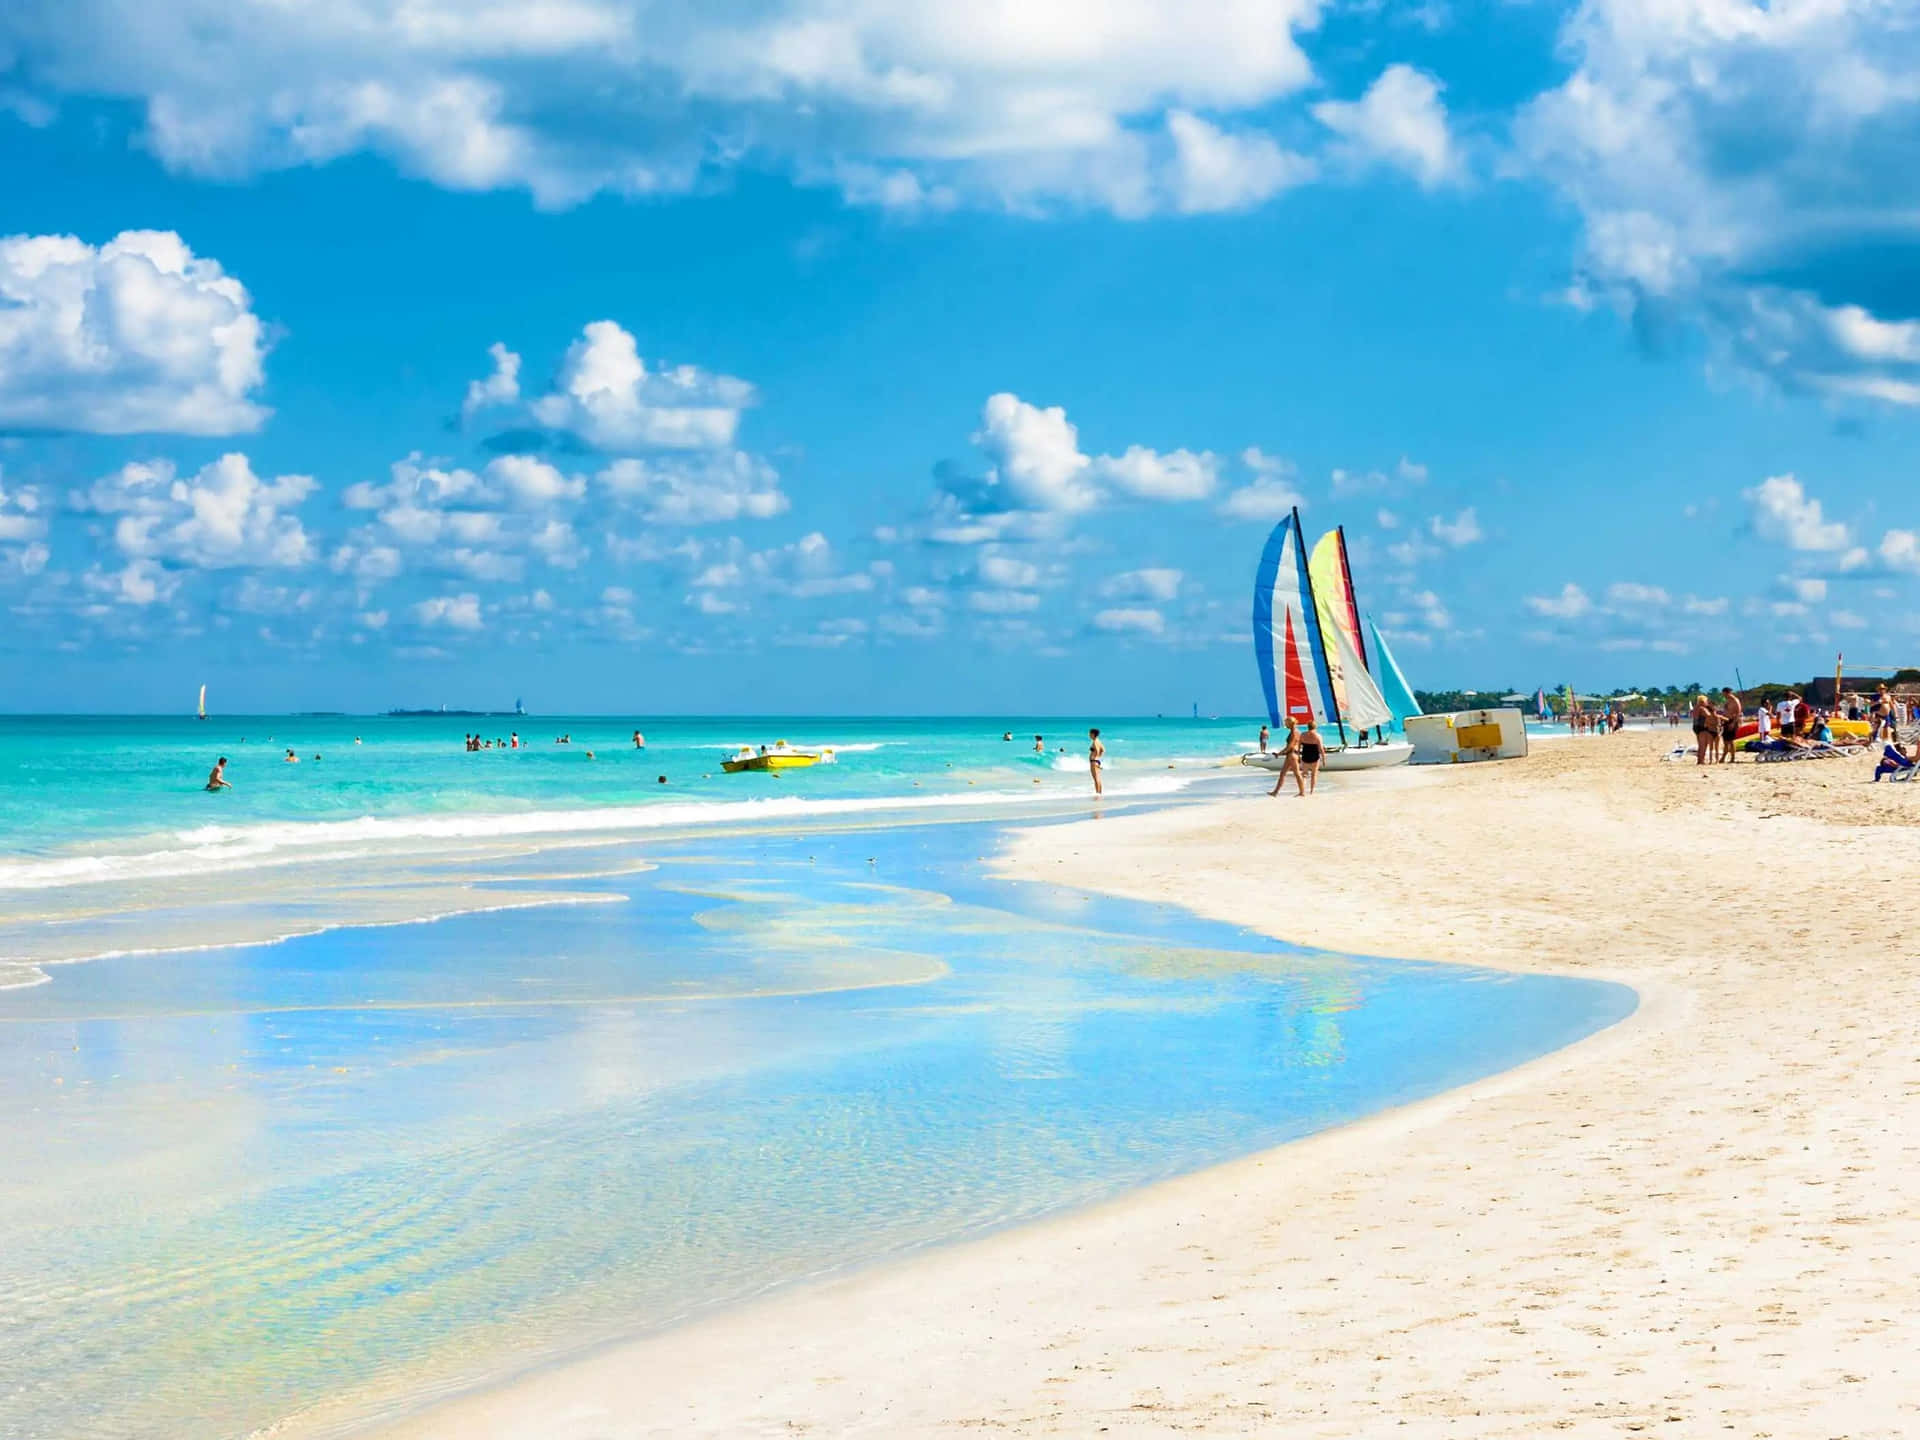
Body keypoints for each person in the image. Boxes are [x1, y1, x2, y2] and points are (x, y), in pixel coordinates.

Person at [1267, 718, 1305, 798]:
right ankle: (1275, 792)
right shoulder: (1296, 732)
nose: (1285, 725)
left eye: (1286, 723)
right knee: (1283, 774)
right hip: (1292, 755)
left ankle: (1302, 792)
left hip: (1291, 755)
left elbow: (1290, 746)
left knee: (1296, 774)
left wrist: (1279, 753)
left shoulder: (1294, 733)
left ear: (1290, 723)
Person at [1690, 694, 1718, 766]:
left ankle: (1700, 760)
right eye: (1706, 701)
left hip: (1696, 726)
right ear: (1702, 701)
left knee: (1700, 744)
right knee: (1703, 745)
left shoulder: (1695, 708)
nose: (1707, 703)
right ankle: (1701, 760)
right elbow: (1709, 715)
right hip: (1702, 727)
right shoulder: (1702, 708)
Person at [1298, 719, 1325, 794]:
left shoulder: (1302, 735)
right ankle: (1311, 791)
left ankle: (1302, 791)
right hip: (1314, 758)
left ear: (1308, 727)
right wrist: (1323, 759)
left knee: (1304, 775)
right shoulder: (1318, 736)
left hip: (1305, 756)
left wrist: (1298, 756)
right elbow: (1321, 749)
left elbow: (1298, 747)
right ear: (1315, 727)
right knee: (1314, 775)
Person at [1718, 687, 1743, 764]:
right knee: (1725, 740)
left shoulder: (1735, 700)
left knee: (1731, 741)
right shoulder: (1728, 700)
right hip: (1726, 721)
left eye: (1724, 693)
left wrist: (1733, 723)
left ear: (1727, 692)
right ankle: (1724, 757)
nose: (1723, 695)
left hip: (1732, 721)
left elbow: (1738, 713)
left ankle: (1732, 758)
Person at [1087, 727, 1105, 795]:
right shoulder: (1098, 741)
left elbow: (1097, 750)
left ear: (1093, 734)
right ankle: (1099, 793)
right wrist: (1098, 756)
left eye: (1090, 733)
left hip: (1093, 761)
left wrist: (1095, 756)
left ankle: (1097, 793)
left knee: (1096, 778)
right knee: (1098, 778)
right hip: (1096, 761)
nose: (1089, 735)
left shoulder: (1095, 742)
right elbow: (1103, 750)